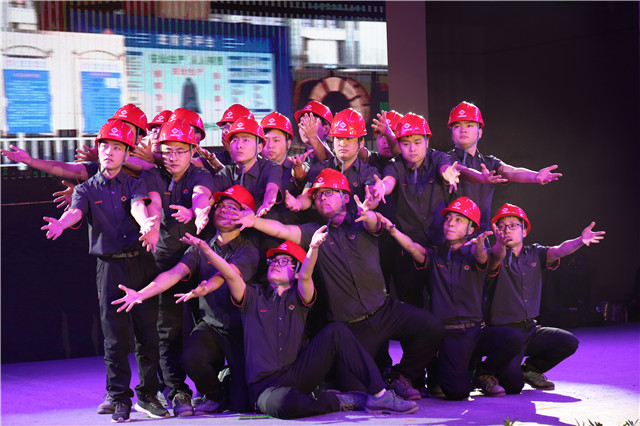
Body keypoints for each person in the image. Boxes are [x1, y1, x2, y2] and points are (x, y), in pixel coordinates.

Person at [231, 168, 444, 401]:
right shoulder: (315, 233)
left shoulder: (361, 219)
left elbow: (374, 223)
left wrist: (370, 214)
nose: (322, 198)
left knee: (432, 327)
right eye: (318, 195)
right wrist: (254, 221)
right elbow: (283, 230)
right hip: (352, 328)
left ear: (345, 197)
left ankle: (403, 376)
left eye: (329, 193)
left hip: (384, 311)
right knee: (353, 389)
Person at [175, 232, 419, 418]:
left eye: (284, 261)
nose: (276, 263)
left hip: (297, 373)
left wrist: (312, 248)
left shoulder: (299, 297)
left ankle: (379, 395)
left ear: (295, 272)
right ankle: (336, 401)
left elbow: (306, 276)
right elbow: (231, 275)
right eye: (273, 260)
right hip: (265, 386)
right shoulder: (252, 296)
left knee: (336, 331)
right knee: (283, 404)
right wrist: (206, 250)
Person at [40, 119, 168, 423]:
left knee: (148, 334)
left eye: (117, 147)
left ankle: (148, 394)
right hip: (110, 268)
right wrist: (61, 224)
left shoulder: (135, 183)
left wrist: (145, 224)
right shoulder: (86, 188)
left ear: (126, 154)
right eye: (105, 146)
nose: (110, 152)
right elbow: (75, 212)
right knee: (114, 336)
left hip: (141, 264)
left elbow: (138, 206)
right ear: (98, 150)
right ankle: (119, 397)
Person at [112, 185, 260, 414]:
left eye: (231, 207)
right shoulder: (201, 246)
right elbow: (174, 274)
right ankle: (215, 395)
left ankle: (230, 379)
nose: (222, 210)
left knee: (244, 404)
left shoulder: (248, 250)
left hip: (241, 329)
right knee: (190, 357)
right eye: (220, 206)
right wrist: (141, 293)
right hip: (211, 325)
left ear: (244, 215)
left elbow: (226, 275)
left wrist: (205, 286)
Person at [379, 197, 523, 399]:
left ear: (471, 229)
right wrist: (393, 231)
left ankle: (483, 373)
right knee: (457, 391)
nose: (450, 223)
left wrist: (495, 243)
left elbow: (489, 257)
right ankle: (422, 372)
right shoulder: (434, 254)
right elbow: (412, 247)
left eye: (458, 220)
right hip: (448, 335)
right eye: (448, 219)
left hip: (475, 331)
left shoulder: (475, 252)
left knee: (514, 338)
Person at [138, 118, 215, 416]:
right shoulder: (152, 175)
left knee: (208, 325)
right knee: (167, 330)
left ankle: (212, 388)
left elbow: (201, 196)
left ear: (192, 150)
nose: (173, 157)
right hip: (165, 264)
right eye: (167, 151)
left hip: (199, 263)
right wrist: (152, 223)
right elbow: (155, 205)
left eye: (180, 151)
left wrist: (197, 212)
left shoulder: (201, 174)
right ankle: (177, 390)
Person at [486, 203, 605, 393]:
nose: (507, 230)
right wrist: (499, 245)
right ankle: (483, 371)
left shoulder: (535, 253)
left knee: (568, 342)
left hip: (529, 328)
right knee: (513, 386)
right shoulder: (493, 255)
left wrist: (580, 241)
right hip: (504, 333)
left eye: (513, 225)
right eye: (502, 226)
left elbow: (559, 250)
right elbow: (494, 259)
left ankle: (531, 370)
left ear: (525, 231)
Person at [376, 112, 460, 308]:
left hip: (439, 244)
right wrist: (381, 188)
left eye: (417, 142)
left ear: (426, 141)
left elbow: (445, 169)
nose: (412, 148)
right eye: (405, 143)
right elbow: (388, 182)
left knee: (444, 301)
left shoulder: (437, 158)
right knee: (411, 302)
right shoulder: (395, 165)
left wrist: (448, 174)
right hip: (408, 245)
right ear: (399, 144)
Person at [447, 101, 562, 232]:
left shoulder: (489, 162)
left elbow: (511, 172)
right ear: (451, 134)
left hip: (481, 236)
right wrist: (481, 177)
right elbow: (463, 171)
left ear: (480, 132)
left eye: (469, 125)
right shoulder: (445, 159)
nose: (463, 130)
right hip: (452, 236)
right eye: (457, 126)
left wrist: (536, 176)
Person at [285, 108, 384, 215]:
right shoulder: (319, 168)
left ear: (361, 142)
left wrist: (370, 202)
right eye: (338, 138)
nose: (342, 144)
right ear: (332, 141)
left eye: (348, 139)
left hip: (358, 223)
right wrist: (298, 203)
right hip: (325, 225)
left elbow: (372, 194)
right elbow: (307, 196)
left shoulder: (369, 172)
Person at [212, 116, 281, 218]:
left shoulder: (270, 167)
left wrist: (267, 203)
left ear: (259, 148)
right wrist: (201, 211)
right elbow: (210, 198)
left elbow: (271, 189)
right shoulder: (225, 173)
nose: (239, 145)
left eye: (246, 140)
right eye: (235, 140)